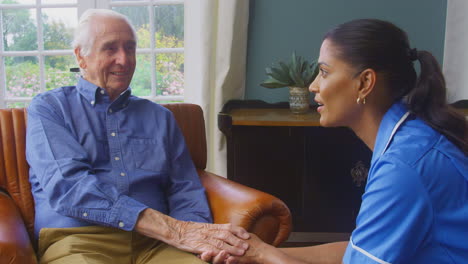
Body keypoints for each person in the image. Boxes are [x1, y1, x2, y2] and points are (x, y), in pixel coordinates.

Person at [209, 18, 468, 264]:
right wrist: (261, 251)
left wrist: (263, 256)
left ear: (365, 82)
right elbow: (361, 250)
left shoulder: (404, 167)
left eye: (324, 72)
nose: (313, 85)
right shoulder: (411, 137)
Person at [26, 9, 249, 264]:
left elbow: (184, 189)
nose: (124, 59)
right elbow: (70, 187)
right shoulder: (50, 108)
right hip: (79, 240)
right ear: (81, 57)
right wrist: (173, 229)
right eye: (110, 49)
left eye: (130, 48)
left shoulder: (160, 117)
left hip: (158, 245)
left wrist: (198, 240)